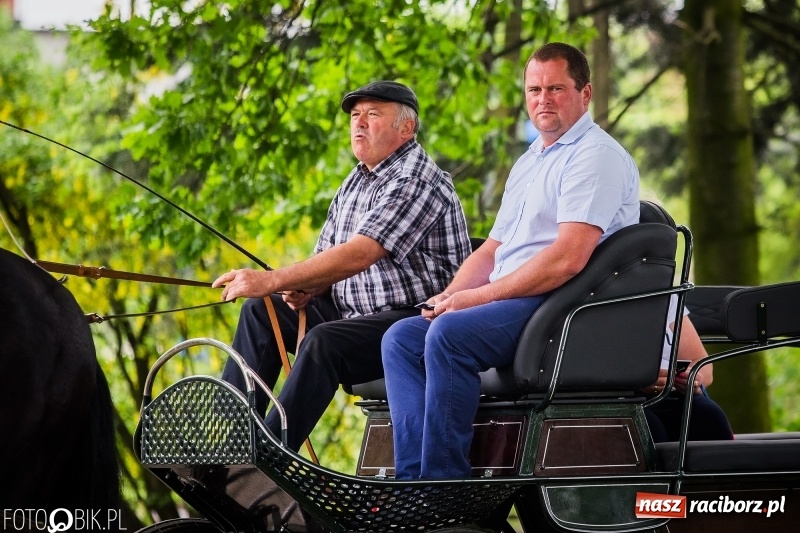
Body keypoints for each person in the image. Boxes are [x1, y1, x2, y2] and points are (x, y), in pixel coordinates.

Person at [381, 42, 641, 480]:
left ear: (586, 93)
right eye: (534, 89)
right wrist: (449, 296)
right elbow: (492, 250)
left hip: (558, 305)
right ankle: (411, 487)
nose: (543, 99)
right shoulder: (529, 161)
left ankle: (442, 490)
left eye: (556, 88)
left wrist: (475, 300)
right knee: (401, 339)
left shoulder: (596, 157)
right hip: (513, 298)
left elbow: (567, 260)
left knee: (448, 336)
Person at [212, 80, 471, 451]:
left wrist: (271, 278)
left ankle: (268, 457)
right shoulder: (356, 180)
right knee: (260, 310)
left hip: (415, 322)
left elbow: (361, 252)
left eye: (373, 115)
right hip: (357, 316)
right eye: (354, 115)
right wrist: (307, 287)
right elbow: (326, 258)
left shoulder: (418, 179)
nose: (359, 123)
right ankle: (229, 446)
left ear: (406, 128)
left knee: (323, 341)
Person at [643, 295, 733, 442]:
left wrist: (692, 379)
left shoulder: (665, 295)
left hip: (674, 392)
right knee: (647, 429)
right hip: (620, 398)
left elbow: (702, 365)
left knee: (708, 417)